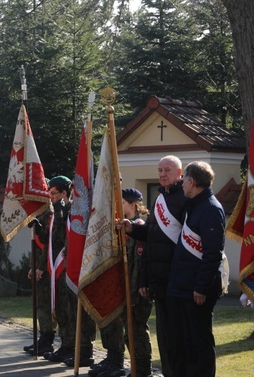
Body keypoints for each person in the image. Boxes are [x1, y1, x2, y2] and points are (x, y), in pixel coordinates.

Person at [123, 155, 187, 377]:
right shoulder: (159, 199)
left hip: (177, 279)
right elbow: (148, 238)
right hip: (158, 280)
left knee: (179, 336)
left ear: (180, 173)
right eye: (159, 170)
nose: (162, 174)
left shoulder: (185, 199)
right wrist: (131, 229)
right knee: (165, 337)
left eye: (167, 170)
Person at [166, 162, 226, 377]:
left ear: (192, 181)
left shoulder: (210, 208)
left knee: (199, 343)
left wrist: (201, 287)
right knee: (185, 342)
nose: (181, 183)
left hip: (196, 291)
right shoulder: (195, 204)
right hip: (183, 287)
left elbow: (212, 254)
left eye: (184, 180)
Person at [90, 188, 153, 377]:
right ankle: (120, 362)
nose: (118, 208)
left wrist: (133, 292)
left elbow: (139, 264)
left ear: (133, 204)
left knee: (137, 331)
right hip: (125, 289)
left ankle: (142, 370)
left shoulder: (139, 227)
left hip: (137, 291)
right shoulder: (125, 226)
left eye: (122, 204)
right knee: (127, 332)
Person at [43, 176, 95, 368]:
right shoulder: (62, 211)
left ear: (65, 193)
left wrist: (60, 213)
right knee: (65, 311)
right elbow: (55, 240)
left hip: (76, 266)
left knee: (77, 311)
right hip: (61, 266)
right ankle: (68, 345)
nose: (51, 197)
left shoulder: (75, 210)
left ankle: (84, 350)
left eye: (54, 193)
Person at [24, 201, 56, 356]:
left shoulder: (49, 215)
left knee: (45, 305)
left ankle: (47, 340)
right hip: (39, 266)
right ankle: (43, 337)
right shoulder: (39, 215)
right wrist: (34, 265)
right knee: (40, 305)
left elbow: (48, 245)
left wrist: (41, 267)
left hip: (47, 268)